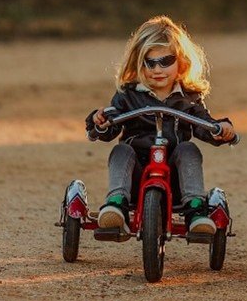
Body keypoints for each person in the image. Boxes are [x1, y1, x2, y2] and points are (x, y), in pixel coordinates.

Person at [86, 15, 236, 235]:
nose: (158, 69)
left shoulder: (188, 98)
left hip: (176, 178)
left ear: (181, 63)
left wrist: (221, 129)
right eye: (150, 62)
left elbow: (205, 124)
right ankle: (115, 204)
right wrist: (101, 122)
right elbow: (111, 124)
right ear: (138, 62)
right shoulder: (127, 95)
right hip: (135, 177)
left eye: (166, 61)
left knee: (188, 149)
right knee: (121, 150)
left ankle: (195, 208)